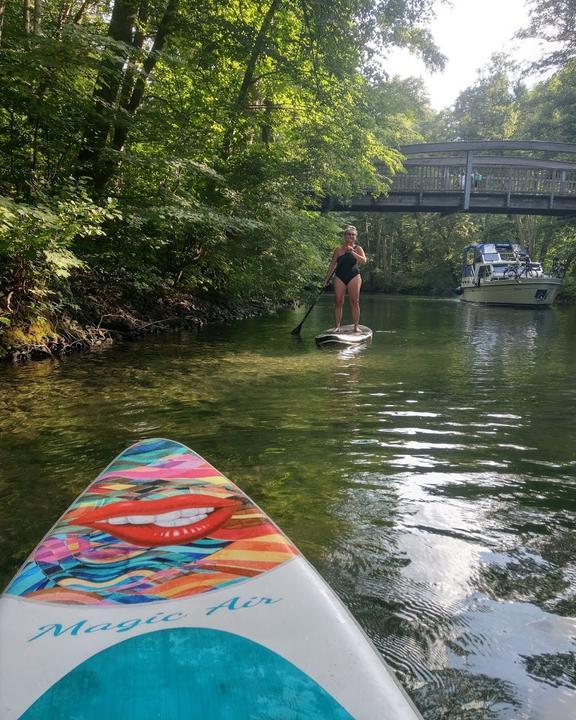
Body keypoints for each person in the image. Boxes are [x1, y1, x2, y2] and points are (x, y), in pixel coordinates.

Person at [322, 225, 367, 333]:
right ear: (344, 236)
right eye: (349, 234)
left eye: (353, 235)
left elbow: (363, 261)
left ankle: (356, 326)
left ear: (355, 237)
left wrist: (352, 252)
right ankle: (337, 326)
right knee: (338, 302)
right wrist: (326, 280)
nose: (351, 236)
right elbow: (332, 265)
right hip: (339, 276)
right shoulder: (338, 249)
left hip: (354, 276)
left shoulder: (358, 248)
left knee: (354, 302)